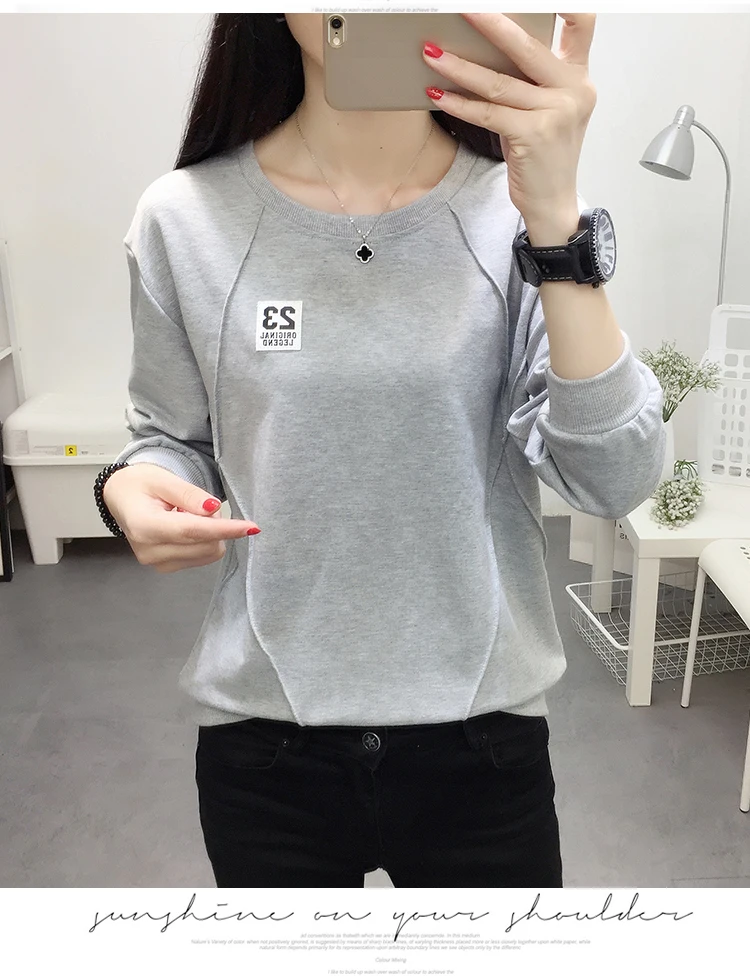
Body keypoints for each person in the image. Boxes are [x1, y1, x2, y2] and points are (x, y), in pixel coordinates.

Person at [95, 12, 665, 888]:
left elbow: (614, 478)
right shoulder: (185, 218)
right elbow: (170, 437)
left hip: (482, 742)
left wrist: (555, 217)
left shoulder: (517, 216)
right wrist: (130, 487)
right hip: (265, 742)